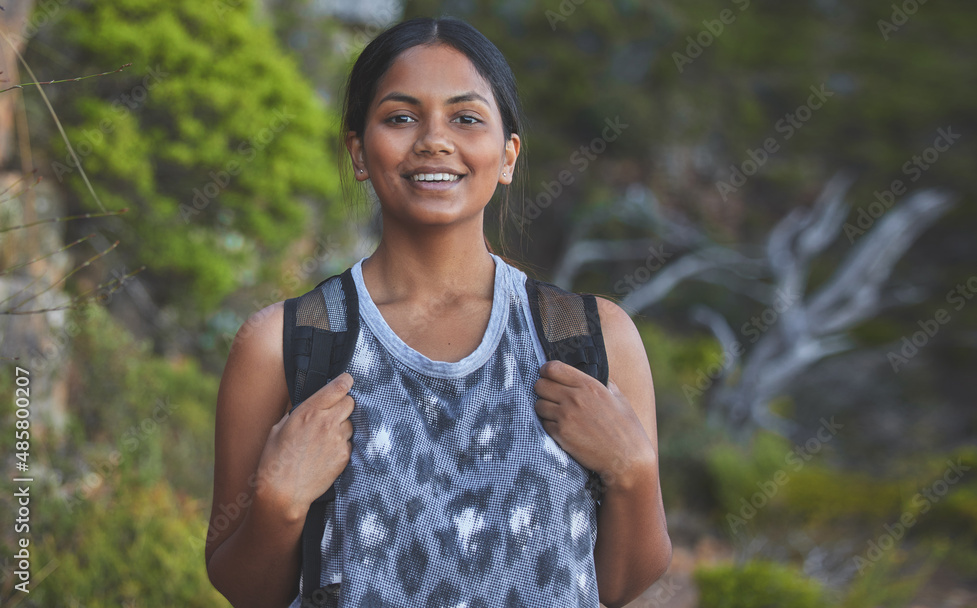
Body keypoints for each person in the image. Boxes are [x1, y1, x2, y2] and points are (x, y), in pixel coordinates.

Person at [205, 16, 671, 608]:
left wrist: (633, 470)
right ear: (357, 151)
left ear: (507, 156)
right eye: (401, 117)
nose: (433, 140)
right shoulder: (282, 344)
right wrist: (278, 503)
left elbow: (621, 585)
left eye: (466, 118)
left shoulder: (595, 338)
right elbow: (242, 589)